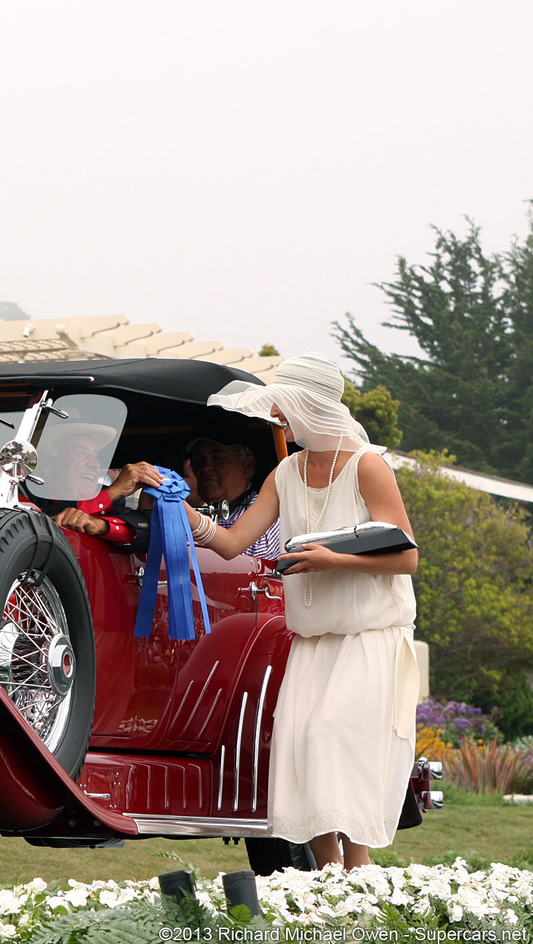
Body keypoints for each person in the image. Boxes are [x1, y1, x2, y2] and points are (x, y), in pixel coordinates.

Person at [167, 353, 418, 869]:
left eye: (286, 406)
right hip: (312, 640)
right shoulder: (287, 471)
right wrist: (175, 504)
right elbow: (234, 542)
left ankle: (360, 869)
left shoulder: (368, 465)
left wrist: (334, 560)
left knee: (331, 735)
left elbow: (407, 556)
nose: (279, 417)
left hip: (367, 636)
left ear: (313, 406)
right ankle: (330, 877)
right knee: (300, 744)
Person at [25, 422, 158, 551]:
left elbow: (146, 534)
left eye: (95, 456)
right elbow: (35, 525)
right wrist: (113, 492)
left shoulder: (111, 502)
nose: (95, 464)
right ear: (48, 465)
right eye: (82, 454)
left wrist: (101, 526)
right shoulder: (23, 496)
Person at [184, 437, 282, 560]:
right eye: (199, 459)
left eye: (218, 458)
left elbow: (259, 555)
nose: (205, 467)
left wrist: (193, 512)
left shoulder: (269, 506)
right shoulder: (189, 508)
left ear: (247, 466)